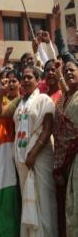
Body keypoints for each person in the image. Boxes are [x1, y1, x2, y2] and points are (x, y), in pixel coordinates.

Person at [0, 65, 58, 237]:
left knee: (43, 201)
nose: (25, 80)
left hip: (39, 158)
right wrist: (1, 92)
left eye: (30, 77)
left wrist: (34, 153)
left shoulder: (44, 99)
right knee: (29, 202)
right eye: (24, 77)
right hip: (23, 162)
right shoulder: (20, 103)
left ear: (38, 81)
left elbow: (47, 128)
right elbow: (0, 113)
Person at [53, 60, 78, 237]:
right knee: (68, 208)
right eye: (66, 70)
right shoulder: (62, 99)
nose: (69, 73)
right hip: (63, 162)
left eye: (73, 70)